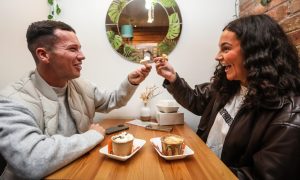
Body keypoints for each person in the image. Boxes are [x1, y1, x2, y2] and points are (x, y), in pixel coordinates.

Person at [154, 14, 300, 179]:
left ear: (255, 51)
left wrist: (203, 171)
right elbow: (196, 101)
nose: (217, 56)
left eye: (226, 48)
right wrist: (172, 78)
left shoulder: (288, 115)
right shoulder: (229, 85)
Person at [0, 20, 151, 179]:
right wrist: (92, 135)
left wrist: (131, 82)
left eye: (80, 48)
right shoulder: (11, 101)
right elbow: (32, 162)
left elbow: (112, 100)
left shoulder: (80, 85)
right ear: (43, 54)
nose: (82, 56)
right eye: (73, 49)